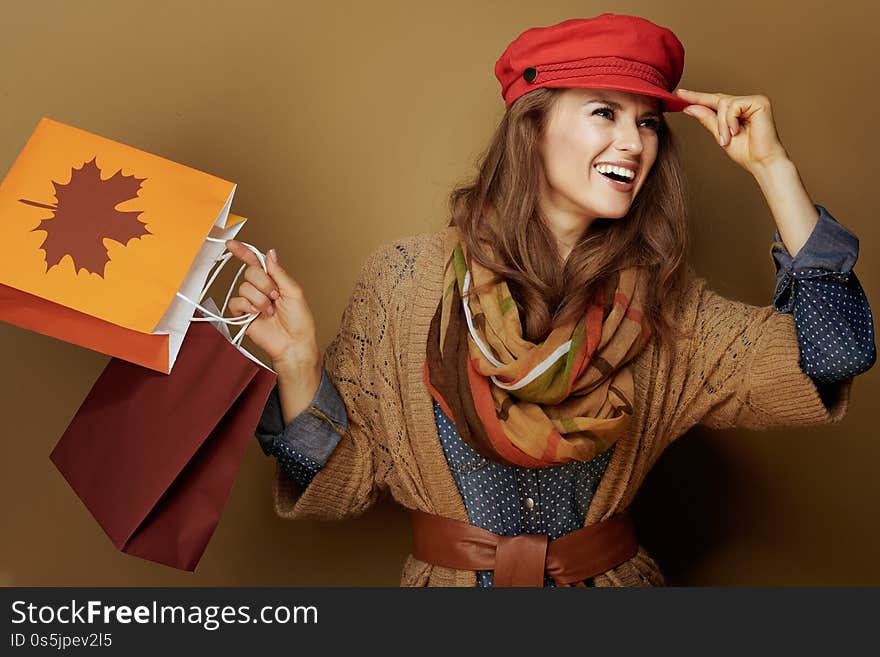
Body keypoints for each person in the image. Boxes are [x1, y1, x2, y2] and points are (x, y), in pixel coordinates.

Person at [225, 14, 876, 586]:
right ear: (532, 127)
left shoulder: (669, 308)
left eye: (647, 123)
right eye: (604, 112)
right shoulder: (401, 284)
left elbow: (834, 354)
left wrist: (773, 170)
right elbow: (343, 485)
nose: (633, 142)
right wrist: (300, 363)